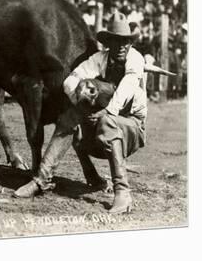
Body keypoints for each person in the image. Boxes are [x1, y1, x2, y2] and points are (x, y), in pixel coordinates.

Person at [14, 14, 147, 215]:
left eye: (126, 42)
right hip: (101, 129)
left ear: (130, 44)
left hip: (131, 126)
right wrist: (79, 102)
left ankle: (123, 192)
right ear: (108, 42)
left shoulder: (136, 59)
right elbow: (71, 80)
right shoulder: (99, 59)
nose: (121, 46)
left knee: (107, 122)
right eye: (116, 41)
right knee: (69, 118)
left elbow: (127, 87)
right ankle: (41, 180)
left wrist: (107, 111)